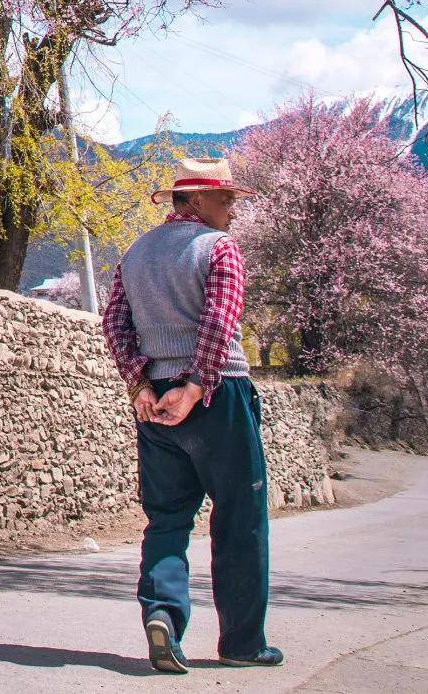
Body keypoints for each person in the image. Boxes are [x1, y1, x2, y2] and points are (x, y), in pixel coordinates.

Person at [102, 156, 284, 674]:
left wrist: (139, 383)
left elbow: (114, 321)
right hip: (215, 392)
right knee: (240, 517)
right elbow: (219, 322)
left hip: (154, 397)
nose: (233, 209)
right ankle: (243, 643)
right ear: (198, 200)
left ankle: (162, 614)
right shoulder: (217, 247)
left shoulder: (135, 253)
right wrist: (196, 383)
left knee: (167, 517)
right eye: (226, 199)